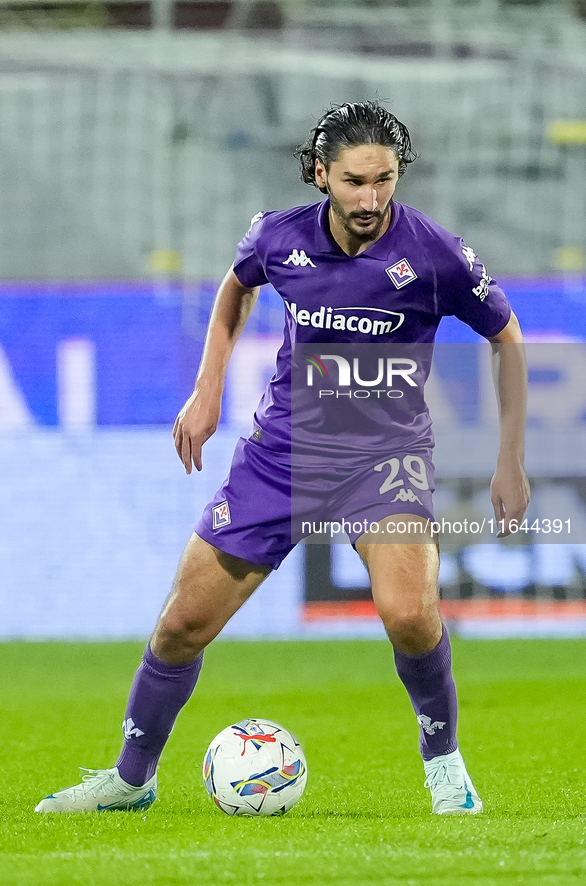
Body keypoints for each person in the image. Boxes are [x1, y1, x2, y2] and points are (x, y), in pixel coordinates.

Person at [35, 101, 529, 816]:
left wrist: (508, 458)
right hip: (282, 457)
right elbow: (238, 286)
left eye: (384, 179)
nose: (370, 198)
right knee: (181, 626)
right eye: (355, 181)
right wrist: (207, 391)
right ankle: (130, 779)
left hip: (383, 461)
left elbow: (506, 338)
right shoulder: (278, 237)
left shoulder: (434, 255)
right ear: (321, 173)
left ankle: (444, 765)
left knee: (410, 615)